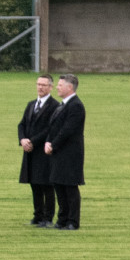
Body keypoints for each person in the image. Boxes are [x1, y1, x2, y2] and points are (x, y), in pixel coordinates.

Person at [44, 73, 85, 230]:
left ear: (70, 87)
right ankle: (62, 219)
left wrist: (53, 145)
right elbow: (53, 127)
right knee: (59, 185)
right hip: (58, 152)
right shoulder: (62, 105)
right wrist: (48, 141)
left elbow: (67, 130)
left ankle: (72, 221)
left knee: (70, 187)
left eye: (60, 85)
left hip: (70, 154)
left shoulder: (76, 106)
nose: (57, 88)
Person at [19, 74, 57, 228]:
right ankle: (37, 215)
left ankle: (48, 218)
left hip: (43, 152)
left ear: (50, 87)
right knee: (34, 184)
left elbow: (49, 129)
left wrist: (32, 141)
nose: (40, 87)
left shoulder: (55, 106)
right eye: (38, 84)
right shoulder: (31, 104)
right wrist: (22, 140)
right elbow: (21, 125)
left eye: (44, 85)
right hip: (30, 152)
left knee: (46, 186)